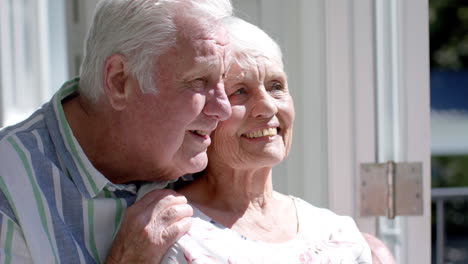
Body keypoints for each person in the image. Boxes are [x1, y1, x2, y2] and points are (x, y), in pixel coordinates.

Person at [0, 0, 233, 263]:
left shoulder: (213, 151)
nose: (224, 109)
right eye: (199, 81)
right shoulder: (9, 184)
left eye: (224, 78)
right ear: (119, 81)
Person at [137, 16, 373, 263]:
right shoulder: (169, 233)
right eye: (239, 91)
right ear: (207, 113)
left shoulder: (338, 234)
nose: (267, 107)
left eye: (275, 86)